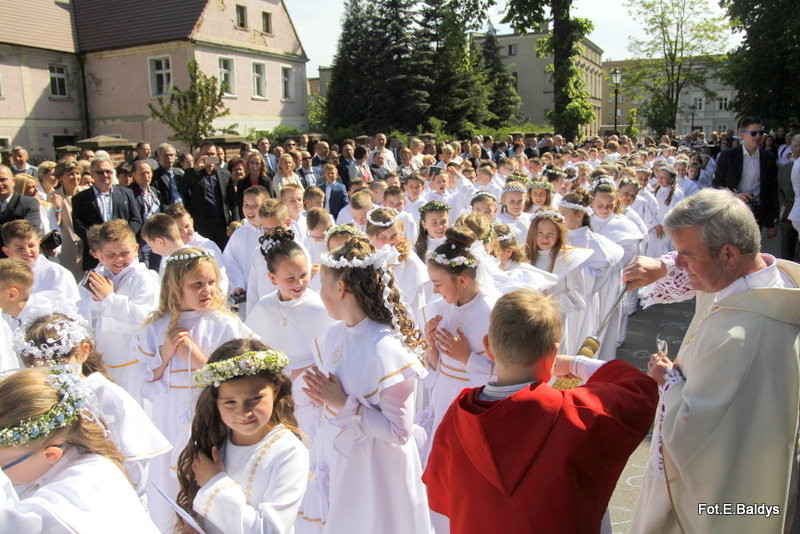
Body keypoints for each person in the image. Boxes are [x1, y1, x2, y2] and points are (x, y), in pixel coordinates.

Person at [625, 188, 800, 534]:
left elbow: (696, 433)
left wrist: (669, 380)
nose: (681, 266)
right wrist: (665, 265)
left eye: (686, 256)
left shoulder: (741, 335)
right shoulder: (759, 283)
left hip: (721, 499)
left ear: (730, 253)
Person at [423, 289, 658, 534]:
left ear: (488, 348)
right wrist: (577, 364)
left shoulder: (458, 415)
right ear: (554, 353)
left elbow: (442, 494)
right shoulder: (577, 414)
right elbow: (640, 388)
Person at [295, 235, 431, 533]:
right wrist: (323, 398)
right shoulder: (333, 335)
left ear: (341, 288)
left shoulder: (386, 349)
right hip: (344, 461)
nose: (320, 295)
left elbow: (399, 431)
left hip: (379, 471)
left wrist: (342, 403)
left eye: (323, 288)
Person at [138, 247, 254, 531]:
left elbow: (245, 378)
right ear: (175, 287)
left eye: (211, 282)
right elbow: (145, 382)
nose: (207, 290)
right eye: (197, 284)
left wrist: (198, 358)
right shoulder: (155, 329)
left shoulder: (226, 325)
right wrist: (164, 356)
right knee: (171, 488)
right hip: (170, 421)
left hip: (212, 420)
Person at [14, 312, 171, 499]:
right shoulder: (35, 398)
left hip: (104, 494)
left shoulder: (107, 396)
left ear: (83, 352)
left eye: (59, 364)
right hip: (53, 494)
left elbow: (135, 465)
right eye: (40, 367)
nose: (52, 374)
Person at [0, 369, 160, 532]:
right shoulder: (56, 464)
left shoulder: (84, 483)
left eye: (2, 465)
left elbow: (19, 527)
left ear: (50, 454)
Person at [175, 338, 309, 533]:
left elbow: (270, 530)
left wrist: (215, 484)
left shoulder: (288, 451)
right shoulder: (214, 441)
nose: (244, 412)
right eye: (230, 402)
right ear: (215, 401)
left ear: (275, 389)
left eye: (254, 399)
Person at [243, 227, 333, 438]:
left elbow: (336, 349)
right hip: (278, 389)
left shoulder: (321, 306)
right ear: (273, 279)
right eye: (290, 278)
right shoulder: (264, 307)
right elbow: (252, 350)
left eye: (303, 275)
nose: (299, 283)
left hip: (313, 390)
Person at [77, 220, 159, 399]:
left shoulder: (144, 279)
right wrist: (95, 303)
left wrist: (110, 299)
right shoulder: (97, 277)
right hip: (102, 360)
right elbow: (80, 312)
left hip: (132, 363)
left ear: (136, 249)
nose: (119, 259)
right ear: (100, 255)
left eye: (124, 253)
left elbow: (145, 318)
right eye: (111, 255)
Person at [525, 210, 592, 355]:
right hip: (528, 322)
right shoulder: (525, 258)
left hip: (555, 321)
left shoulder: (568, 260)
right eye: (540, 233)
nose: (545, 238)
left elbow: (577, 298)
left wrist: (548, 304)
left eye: (551, 233)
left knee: (552, 360)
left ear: (559, 234)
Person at [71, 157, 142, 271]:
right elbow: (77, 224)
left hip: (125, 254)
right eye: (100, 172)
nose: (105, 175)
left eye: (108, 171)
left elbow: (136, 219)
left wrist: (124, 237)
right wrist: (97, 240)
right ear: (92, 174)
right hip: (96, 256)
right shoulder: (80, 198)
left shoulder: (127, 193)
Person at [713, 117, 779, 237]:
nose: (758, 137)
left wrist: (772, 221)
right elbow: (717, 185)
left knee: (751, 250)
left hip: (757, 212)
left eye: (761, 133)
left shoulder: (769, 158)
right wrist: (734, 195)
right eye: (753, 133)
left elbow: (772, 190)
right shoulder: (728, 156)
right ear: (742, 135)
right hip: (733, 210)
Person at [1, 220, 79, 303]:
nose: (27, 251)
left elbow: (72, 308)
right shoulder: (4, 276)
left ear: (38, 244)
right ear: (7, 252)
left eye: (31, 246)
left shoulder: (56, 273)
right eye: (20, 248)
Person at [180, 143, 236, 250]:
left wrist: (235, 221)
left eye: (212, 154)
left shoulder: (225, 174)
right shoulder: (194, 174)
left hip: (221, 223)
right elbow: (183, 190)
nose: (210, 157)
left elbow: (233, 201)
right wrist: (195, 169)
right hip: (202, 223)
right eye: (206, 154)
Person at [223, 185, 269, 314]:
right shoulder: (240, 234)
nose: (250, 210)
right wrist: (238, 284)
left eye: (255, 205)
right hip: (249, 295)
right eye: (246, 205)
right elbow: (230, 262)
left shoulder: (274, 230)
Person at [0, 164, 42, 257]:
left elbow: (28, 230)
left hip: (23, 259)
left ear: (13, 181)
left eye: (3, 179)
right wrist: (12, 225)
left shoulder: (29, 203)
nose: (0, 184)